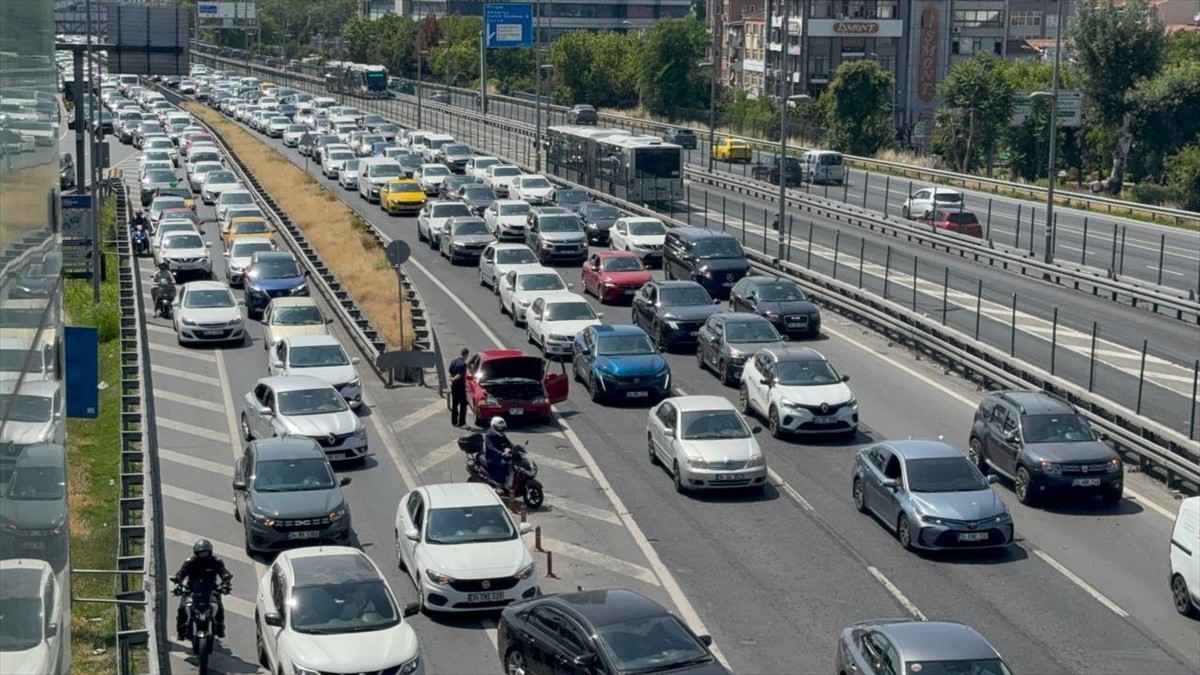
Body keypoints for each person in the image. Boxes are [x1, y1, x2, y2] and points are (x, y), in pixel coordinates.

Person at [172, 539, 232, 641]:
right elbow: (181, 573)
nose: (204, 554)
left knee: (219, 608)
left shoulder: (216, 561)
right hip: (191, 590)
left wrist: (226, 582)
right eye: (201, 552)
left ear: (210, 551)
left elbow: (223, 572)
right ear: (197, 552)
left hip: (211, 589)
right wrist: (178, 582)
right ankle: (181, 632)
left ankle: (220, 629)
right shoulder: (190, 562)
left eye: (206, 551)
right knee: (182, 608)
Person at [484, 416, 514, 489]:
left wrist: (514, 447)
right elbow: (491, 448)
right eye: (499, 428)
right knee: (504, 464)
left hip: (503, 454)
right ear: (493, 427)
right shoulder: (489, 435)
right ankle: (499, 483)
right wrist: (501, 453)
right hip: (492, 456)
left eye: (503, 428)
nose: (501, 430)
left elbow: (508, 442)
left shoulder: (501, 434)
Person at [448, 347, 469, 427]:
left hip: (453, 386)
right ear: (466, 355)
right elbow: (459, 375)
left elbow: (450, 372)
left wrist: (451, 380)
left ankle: (454, 421)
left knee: (454, 403)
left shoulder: (453, 361)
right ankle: (462, 423)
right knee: (463, 404)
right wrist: (454, 379)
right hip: (460, 386)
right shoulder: (463, 364)